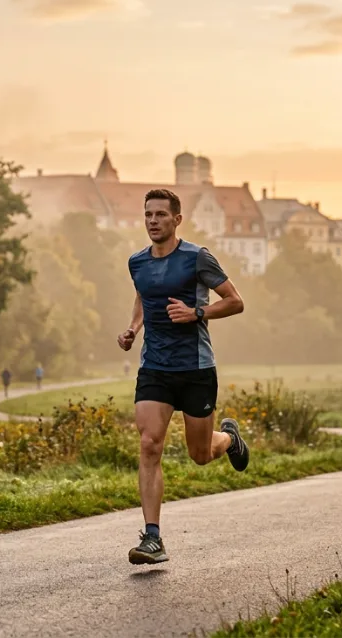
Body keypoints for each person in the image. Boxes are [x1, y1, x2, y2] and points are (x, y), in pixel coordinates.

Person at [118, 188, 248, 566]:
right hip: (155, 367)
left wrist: (198, 313)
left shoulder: (196, 258)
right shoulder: (137, 262)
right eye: (148, 215)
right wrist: (132, 328)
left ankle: (229, 439)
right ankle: (153, 538)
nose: (153, 221)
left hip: (194, 368)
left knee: (200, 454)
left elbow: (235, 300)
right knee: (149, 444)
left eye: (161, 214)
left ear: (177, 220)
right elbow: (144, 296)